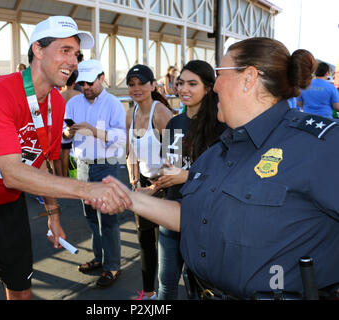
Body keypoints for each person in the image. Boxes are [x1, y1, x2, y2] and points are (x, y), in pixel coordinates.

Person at [93, 37, 339, 300]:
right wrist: (128, 198)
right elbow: (192, 215)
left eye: (220, 74)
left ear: (249, 77)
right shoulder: (221, 149)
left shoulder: (322, 146)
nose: (216, 85)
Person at [0, 16, 130, 301]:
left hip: (9, 205)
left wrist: (53, 213)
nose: (74, 61)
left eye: (76, 54)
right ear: (38, 50)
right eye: (65, 51)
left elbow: (41, 161)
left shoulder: (55, 101)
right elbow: (13, 172)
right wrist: (86, 188)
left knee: (21, 289)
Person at [153, 60, 225, 300]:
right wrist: (155, 185)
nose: (183, 89)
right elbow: (169, 165)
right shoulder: (174, 122)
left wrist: (186, 176)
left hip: (205, 218)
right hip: (171, 212)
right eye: (180, 82)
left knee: (199, 289)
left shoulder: (223, 127)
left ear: (208, 88)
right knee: (166, 284)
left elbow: (227, 176)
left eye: (192, 84)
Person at [63, 59, 126, 288]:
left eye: (90, 82)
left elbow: (120, 137)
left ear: (101, 78)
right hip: (82, 165)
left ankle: (113, 266)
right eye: (82, 83)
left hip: (105, 165)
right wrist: (68, 132)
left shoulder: (114, 104)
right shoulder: (74, 103)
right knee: (91, 217)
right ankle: (100, 258)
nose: (86, 87)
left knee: (107, 219)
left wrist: (93, 130)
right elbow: (64, 134)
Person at [126, 64, 173, 299]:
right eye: (132, 84)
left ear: (152, 85)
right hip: (143, 185)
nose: (136, 88)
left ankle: (171, 294)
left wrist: (154, 189)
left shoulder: (162, 113)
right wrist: (135, 184)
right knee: (145, 242)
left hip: (166, 186)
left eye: (142, 83)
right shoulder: (131, 112)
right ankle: (148, 293)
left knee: (167, 247)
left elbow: (176, 160)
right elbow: (131, 152)